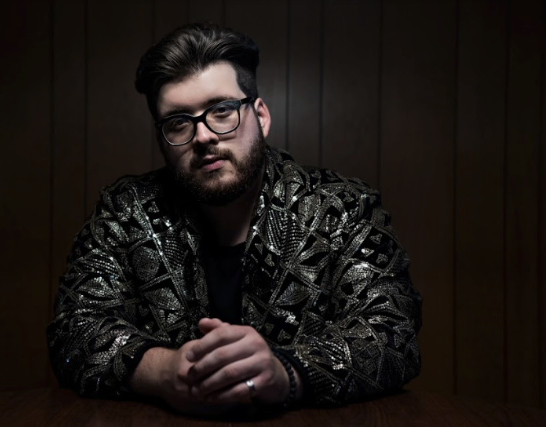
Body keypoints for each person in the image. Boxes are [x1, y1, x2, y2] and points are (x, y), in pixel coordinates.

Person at [47, 22, 422, 416]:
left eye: (222, 111)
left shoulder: (342, 209)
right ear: (162, 140)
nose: (203, 136)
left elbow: (392, 333)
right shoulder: (124, 211)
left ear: (260, 116)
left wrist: (287, 373)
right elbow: (73, 329)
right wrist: (164, 372)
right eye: (178, 122)